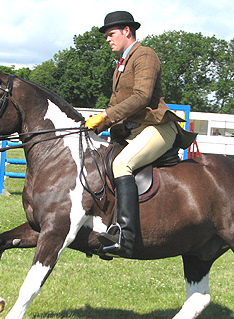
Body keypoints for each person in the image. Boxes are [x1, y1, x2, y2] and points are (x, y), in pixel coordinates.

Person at [85, 11, 196, 258]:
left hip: (156, 128)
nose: (107, 39)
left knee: (122, 164)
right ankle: (106, 225)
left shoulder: (145, 54)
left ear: (127, 31)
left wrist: (105, 116)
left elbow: (141, 97)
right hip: (132, 132)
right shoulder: (121, 64)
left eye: (111, 34)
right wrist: (98, 126)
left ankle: (126, 237)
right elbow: (120, 105)